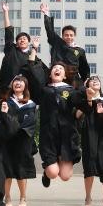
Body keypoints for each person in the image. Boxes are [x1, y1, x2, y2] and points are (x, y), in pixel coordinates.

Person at [24, 37, 84, 187]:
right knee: (53, 173)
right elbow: (32, 69)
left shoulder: (71, 91)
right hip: (49, 135)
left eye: (61, 69)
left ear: (65, 75)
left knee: (65, 176)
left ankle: (59, 162)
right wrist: (34, 49)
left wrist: (89, 98)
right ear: (50, 74)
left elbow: (82, 106)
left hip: (67, 136)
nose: (57, 70)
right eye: (54, 69)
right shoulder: (44, 90)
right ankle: (47, 172)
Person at [2, 75, 38, 206]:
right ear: (12, 85)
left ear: (25, 86)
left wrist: (15, 127)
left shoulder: (31, 104)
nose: (18, 83)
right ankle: (8, 196)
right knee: (7, 170)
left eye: (21, 81)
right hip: (8, 141)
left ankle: (23, 197)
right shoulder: (5, 102)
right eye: (16, 81)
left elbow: (32, 123)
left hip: (23, 140)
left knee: (21, 171)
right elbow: (1, 121)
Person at [77, 75, 103, 206]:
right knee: (89, 166)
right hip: (89, 135)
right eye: (92, 80)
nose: (95, 81)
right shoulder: (84, 100)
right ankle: (88, 196)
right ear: (87, 85)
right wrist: (88, 100)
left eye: (97, 80)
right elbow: (77, 115)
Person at [41, 3, 90, 87]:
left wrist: (86, 79)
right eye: (66, 35)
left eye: (71, 35)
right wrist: (46, 14)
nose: (69, 37)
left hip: (73, 79)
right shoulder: (57, 43)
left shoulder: (80, 50)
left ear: (74, 36)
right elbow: (50, 31)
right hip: (57, 76)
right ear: (62, 36)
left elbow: (84, 67)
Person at [0, 2, 32, 93]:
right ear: (16, 43)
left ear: (29, 42)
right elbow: (8, 31)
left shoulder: (32, 56)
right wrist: (6, 12)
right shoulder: (11, 50)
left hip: (24, 91)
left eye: (25, 39)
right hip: (6, 89)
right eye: (20, 39)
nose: (22, 40)